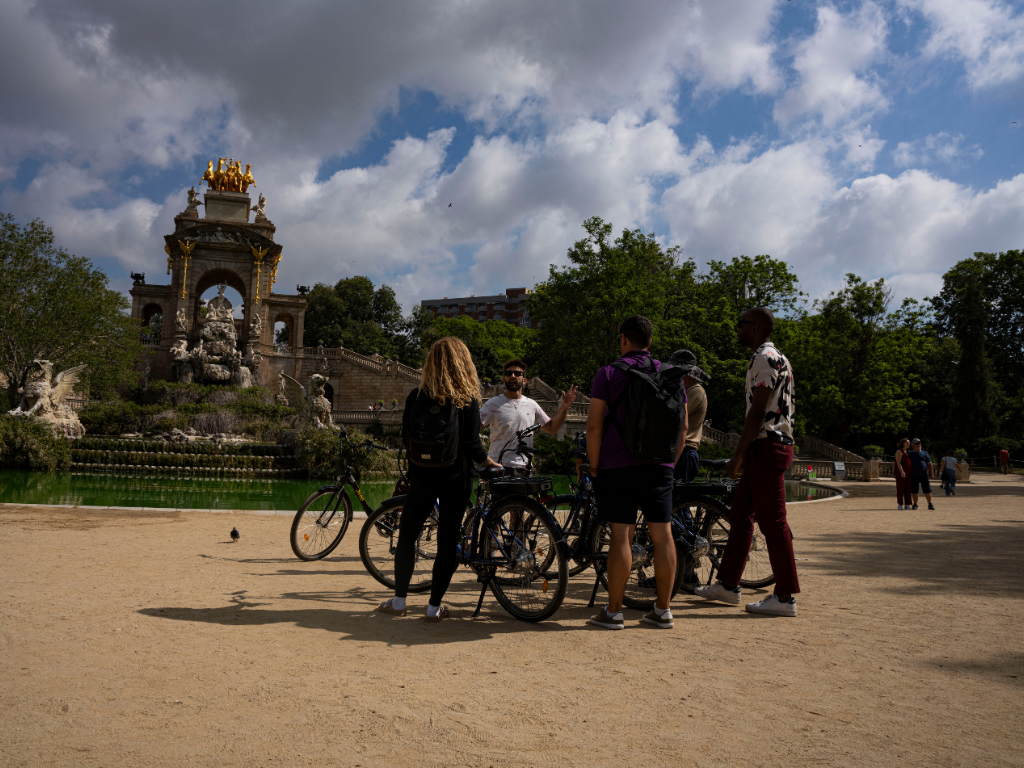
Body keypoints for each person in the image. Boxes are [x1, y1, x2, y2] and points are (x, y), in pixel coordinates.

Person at [376, 337, 501, 621]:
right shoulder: (466, 400)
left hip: (421, 475)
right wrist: (488, 462)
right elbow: (472, 445)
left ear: (430, 363)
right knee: (447, 541)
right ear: (463, 363)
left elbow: (406, 438)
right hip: (456, 477)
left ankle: (399, 601)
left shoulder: (415, 396)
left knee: (408, 536)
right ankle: (433, 608)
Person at [694, 307, 800, 617]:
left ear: (754, 327)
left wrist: (739, 453)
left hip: (767, 446)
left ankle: (784, 596)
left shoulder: (764, 357)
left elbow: (759, 409)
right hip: (768, 447)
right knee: (740, 515)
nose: (737, 330)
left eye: (740, 325)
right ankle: (728, 585)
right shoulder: (774, 357)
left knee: (773, 522)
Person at [586, 315, 685, 630]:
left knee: (620, 536)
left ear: (623, 339)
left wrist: (595, 464)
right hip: (660, 466)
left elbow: (593, 426)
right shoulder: (672, 375)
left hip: (617, 465)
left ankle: (614, 612)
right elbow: (682, 428)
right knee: (663, 535)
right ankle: (662, 610)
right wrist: (670, 462)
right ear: (651, 343)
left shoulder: (609, 373)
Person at [479, 359, 577, 471]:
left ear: (525, 380)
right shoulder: (493, 404)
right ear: (504, 380)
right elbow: (472, 430)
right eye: (508, 373)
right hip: (498, 467)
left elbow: (552, 428)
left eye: (517, 373)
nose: (512, 376)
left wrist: (564, 407)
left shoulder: (532, 404)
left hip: (525, 468)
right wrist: (484, 459)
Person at [667, 349, 710, 484]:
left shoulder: (695, 391)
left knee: (679, 502)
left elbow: (674, 415)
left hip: (686, 451)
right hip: (678, 449)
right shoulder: (683, 390)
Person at [907, 438, 934, 510]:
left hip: (924, 474)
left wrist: (932, 473)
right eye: (916, 444)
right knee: (915, 490)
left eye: (919, 443)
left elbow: (930, 464)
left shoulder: (925, 453)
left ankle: (930, 504)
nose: (918, 445)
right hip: (914, 475)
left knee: (927, 489)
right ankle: (915, 504)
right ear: (913, 445)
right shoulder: (909, 453)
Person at [894, 438, 912, 510]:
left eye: (909, 442)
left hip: (908, 472)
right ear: (903, 443)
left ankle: (907, 504)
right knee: (900, 489)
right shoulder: (899, 451)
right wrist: (902, 471)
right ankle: (900, 504)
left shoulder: (908, 452)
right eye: (907, 442)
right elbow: (898, 463)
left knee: (908, 489)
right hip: (901, 473)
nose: (908, 444)